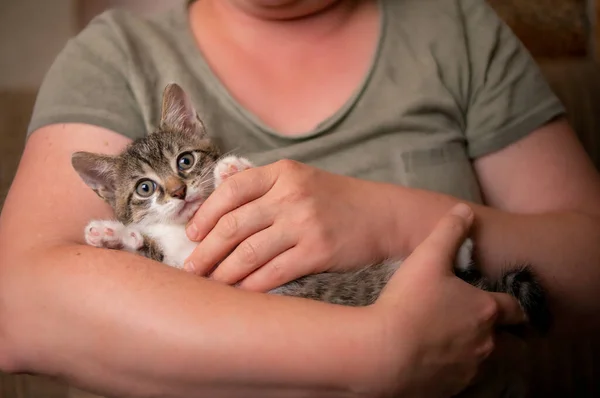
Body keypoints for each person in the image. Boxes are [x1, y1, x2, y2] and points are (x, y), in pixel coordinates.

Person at [0, 0, 599, 396]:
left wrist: (386, 218)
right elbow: (17, 311)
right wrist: (373, 354)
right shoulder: (114, 54)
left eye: (183, 166)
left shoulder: (457, 26)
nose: (178, 185)